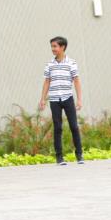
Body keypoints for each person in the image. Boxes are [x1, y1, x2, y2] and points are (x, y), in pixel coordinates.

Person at [38, 36, 84, 165]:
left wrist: (79, 100)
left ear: (62, 47)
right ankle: (59, 157)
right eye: (52, 47)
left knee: (74, 126)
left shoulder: (71, 63)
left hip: (68, 98)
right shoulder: (49, 65)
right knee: (57, 128)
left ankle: (79, 155)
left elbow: (76, 81)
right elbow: (47, 81)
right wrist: (42, 99)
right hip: (54, 100)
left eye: (55, 46)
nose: (53, 49)